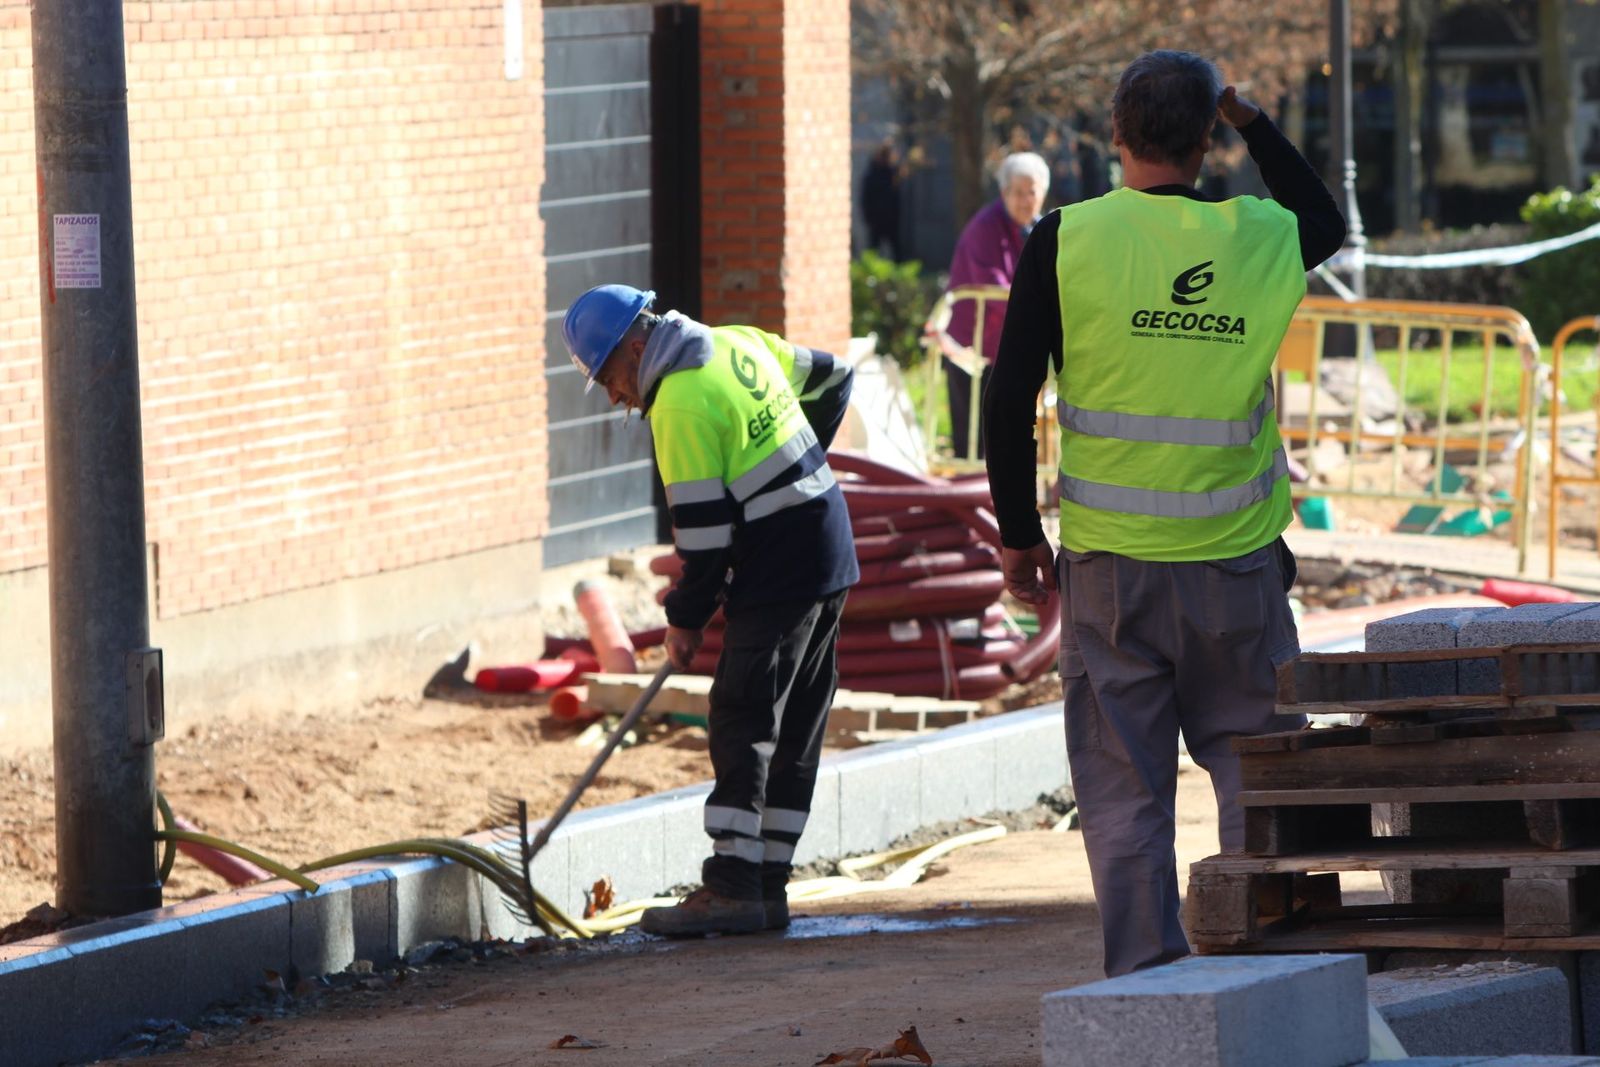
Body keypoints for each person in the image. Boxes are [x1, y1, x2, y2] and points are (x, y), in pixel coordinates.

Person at [983, 50, 1346, 977]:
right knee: (1257, 770)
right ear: (1204, 141)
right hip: (1236, 569)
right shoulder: (1260, 237)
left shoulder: (1066, 237)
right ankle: (1268, 967)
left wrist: (1019, 535)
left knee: (1122, 792)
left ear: (1114, 135)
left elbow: (1009, 388)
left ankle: (1150, 986)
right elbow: (1328, 220)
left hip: (1111, 576)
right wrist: (1254, 120)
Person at [563, 284, 859, 937]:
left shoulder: (680, 403)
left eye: (610, 376)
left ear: (637, 347)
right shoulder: (737, 342)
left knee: (742, 715)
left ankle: (731, 888)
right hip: (827, 547)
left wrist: (684, 622)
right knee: (796, 723)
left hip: (783, 566)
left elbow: (703, 541)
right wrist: (802, 474)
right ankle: (766, 886)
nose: (616, 395)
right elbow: (837, 377)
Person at [941, 151, 1048, 459]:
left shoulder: (1039, 228)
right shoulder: (984, 229)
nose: (1026, 200)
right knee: (974, 436)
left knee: (1006, 434)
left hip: (1007, 348)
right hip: (971, 348)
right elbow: (998, 292)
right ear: (1004, 193)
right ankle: (969, 503)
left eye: (1033, 192)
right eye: (1018, 192)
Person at [860, 142, 904, 261]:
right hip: (876, 219)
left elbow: (896, 197)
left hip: (890, 219)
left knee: (896, 249)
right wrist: (868, 217)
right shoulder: (872, 174)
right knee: (873, 250)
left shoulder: (892, 173)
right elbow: (866, 198)